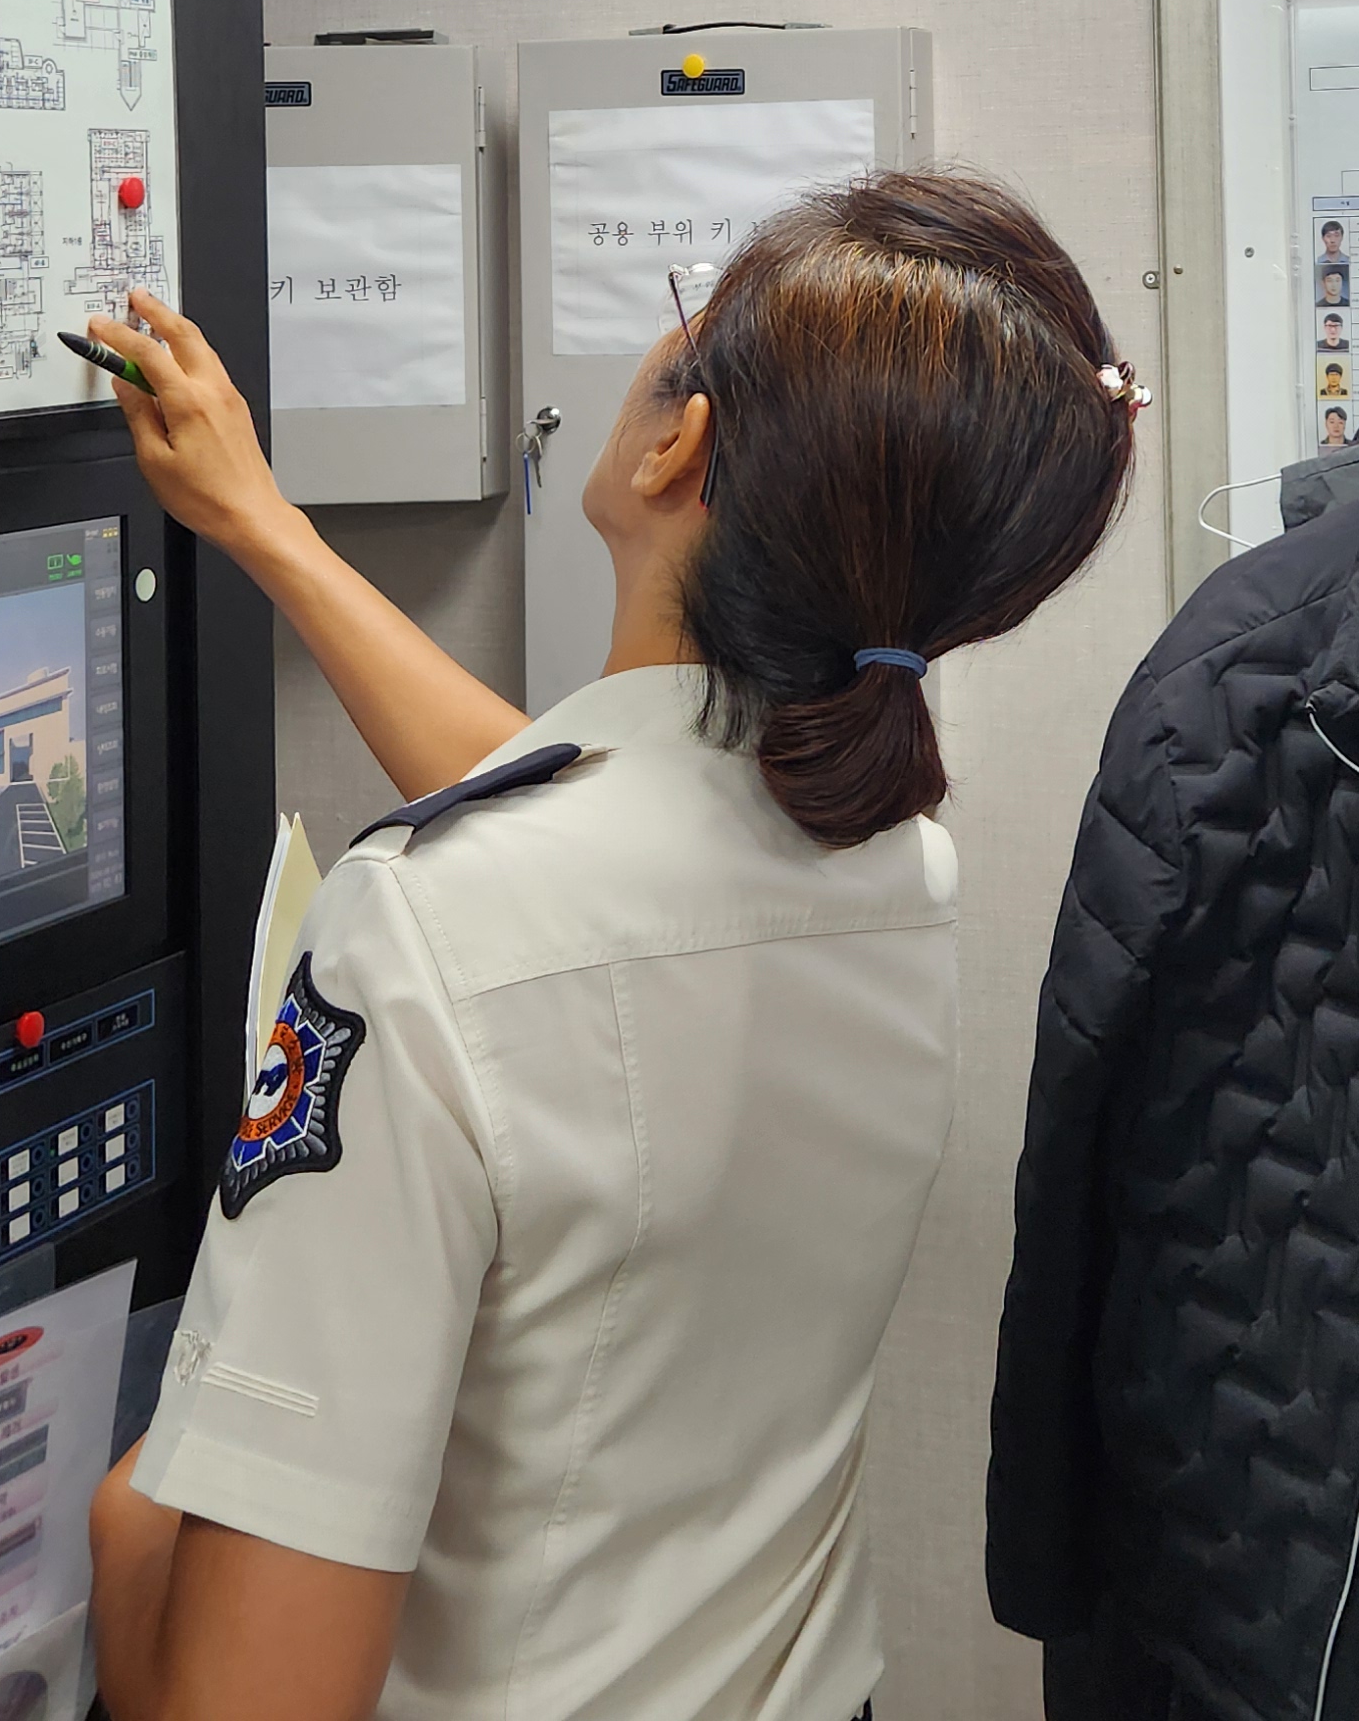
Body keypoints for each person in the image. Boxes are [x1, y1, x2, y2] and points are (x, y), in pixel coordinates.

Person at [84, 173, 1141, 1721]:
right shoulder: (890, 866)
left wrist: (132, 1544)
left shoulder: (432, 931)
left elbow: (250, 1703)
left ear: (677, 446)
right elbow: (586, 849)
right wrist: (266, 530)